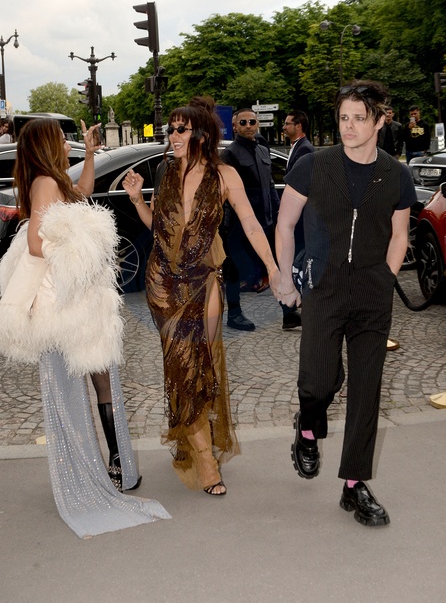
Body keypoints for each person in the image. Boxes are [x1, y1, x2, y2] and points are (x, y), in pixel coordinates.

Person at [0, 118, 170, 537]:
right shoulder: (44, 183)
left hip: (82, 301)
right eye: (62, 140)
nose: (67, 144)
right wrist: (83, 253)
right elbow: (37, 243)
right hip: (64, 303)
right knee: (77, 381)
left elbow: (84, 192)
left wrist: (91, 154)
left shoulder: (54, 180)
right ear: (46, 145)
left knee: (101, 375)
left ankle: (117, 464)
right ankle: (97, 467)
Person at [275, 80, 417, 527]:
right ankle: (308, 427)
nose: (349, 126)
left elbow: (400, 234)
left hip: (373, 292)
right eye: (343, 118)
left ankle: (355, 485)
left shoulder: (396, 174)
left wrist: (386, 278)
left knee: (366, 389)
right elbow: (285, 224)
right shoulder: (314, 166)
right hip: (324, 285)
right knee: (319, 380)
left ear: (379, 121)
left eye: (359, 118)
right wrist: (284, 277)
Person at [123, 97, 280, 496]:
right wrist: (138, 199)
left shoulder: (224, 175)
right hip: (163, 282)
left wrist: (274, 267)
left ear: (202, 135)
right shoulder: (165, 171)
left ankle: (197, 438)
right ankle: (206, 461)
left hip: (204, 278)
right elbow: (158, 227)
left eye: (181, 129)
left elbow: (251, 224)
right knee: (181, 364)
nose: (173, 135)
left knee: (205, 363)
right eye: (170, 129)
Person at [222, 108, 302, 331]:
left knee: (275, 265)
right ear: (235, 126)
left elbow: (269, 185)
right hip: (240, 224)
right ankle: (234, 314)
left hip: (266, 220)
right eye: (243, 122)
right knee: (234, 269)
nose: (248, 125)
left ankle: (288, 312)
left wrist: (278, 213)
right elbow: (227, 193)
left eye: (252, 122)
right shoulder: (229, 154)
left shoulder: (262, 148)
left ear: (257, 124)